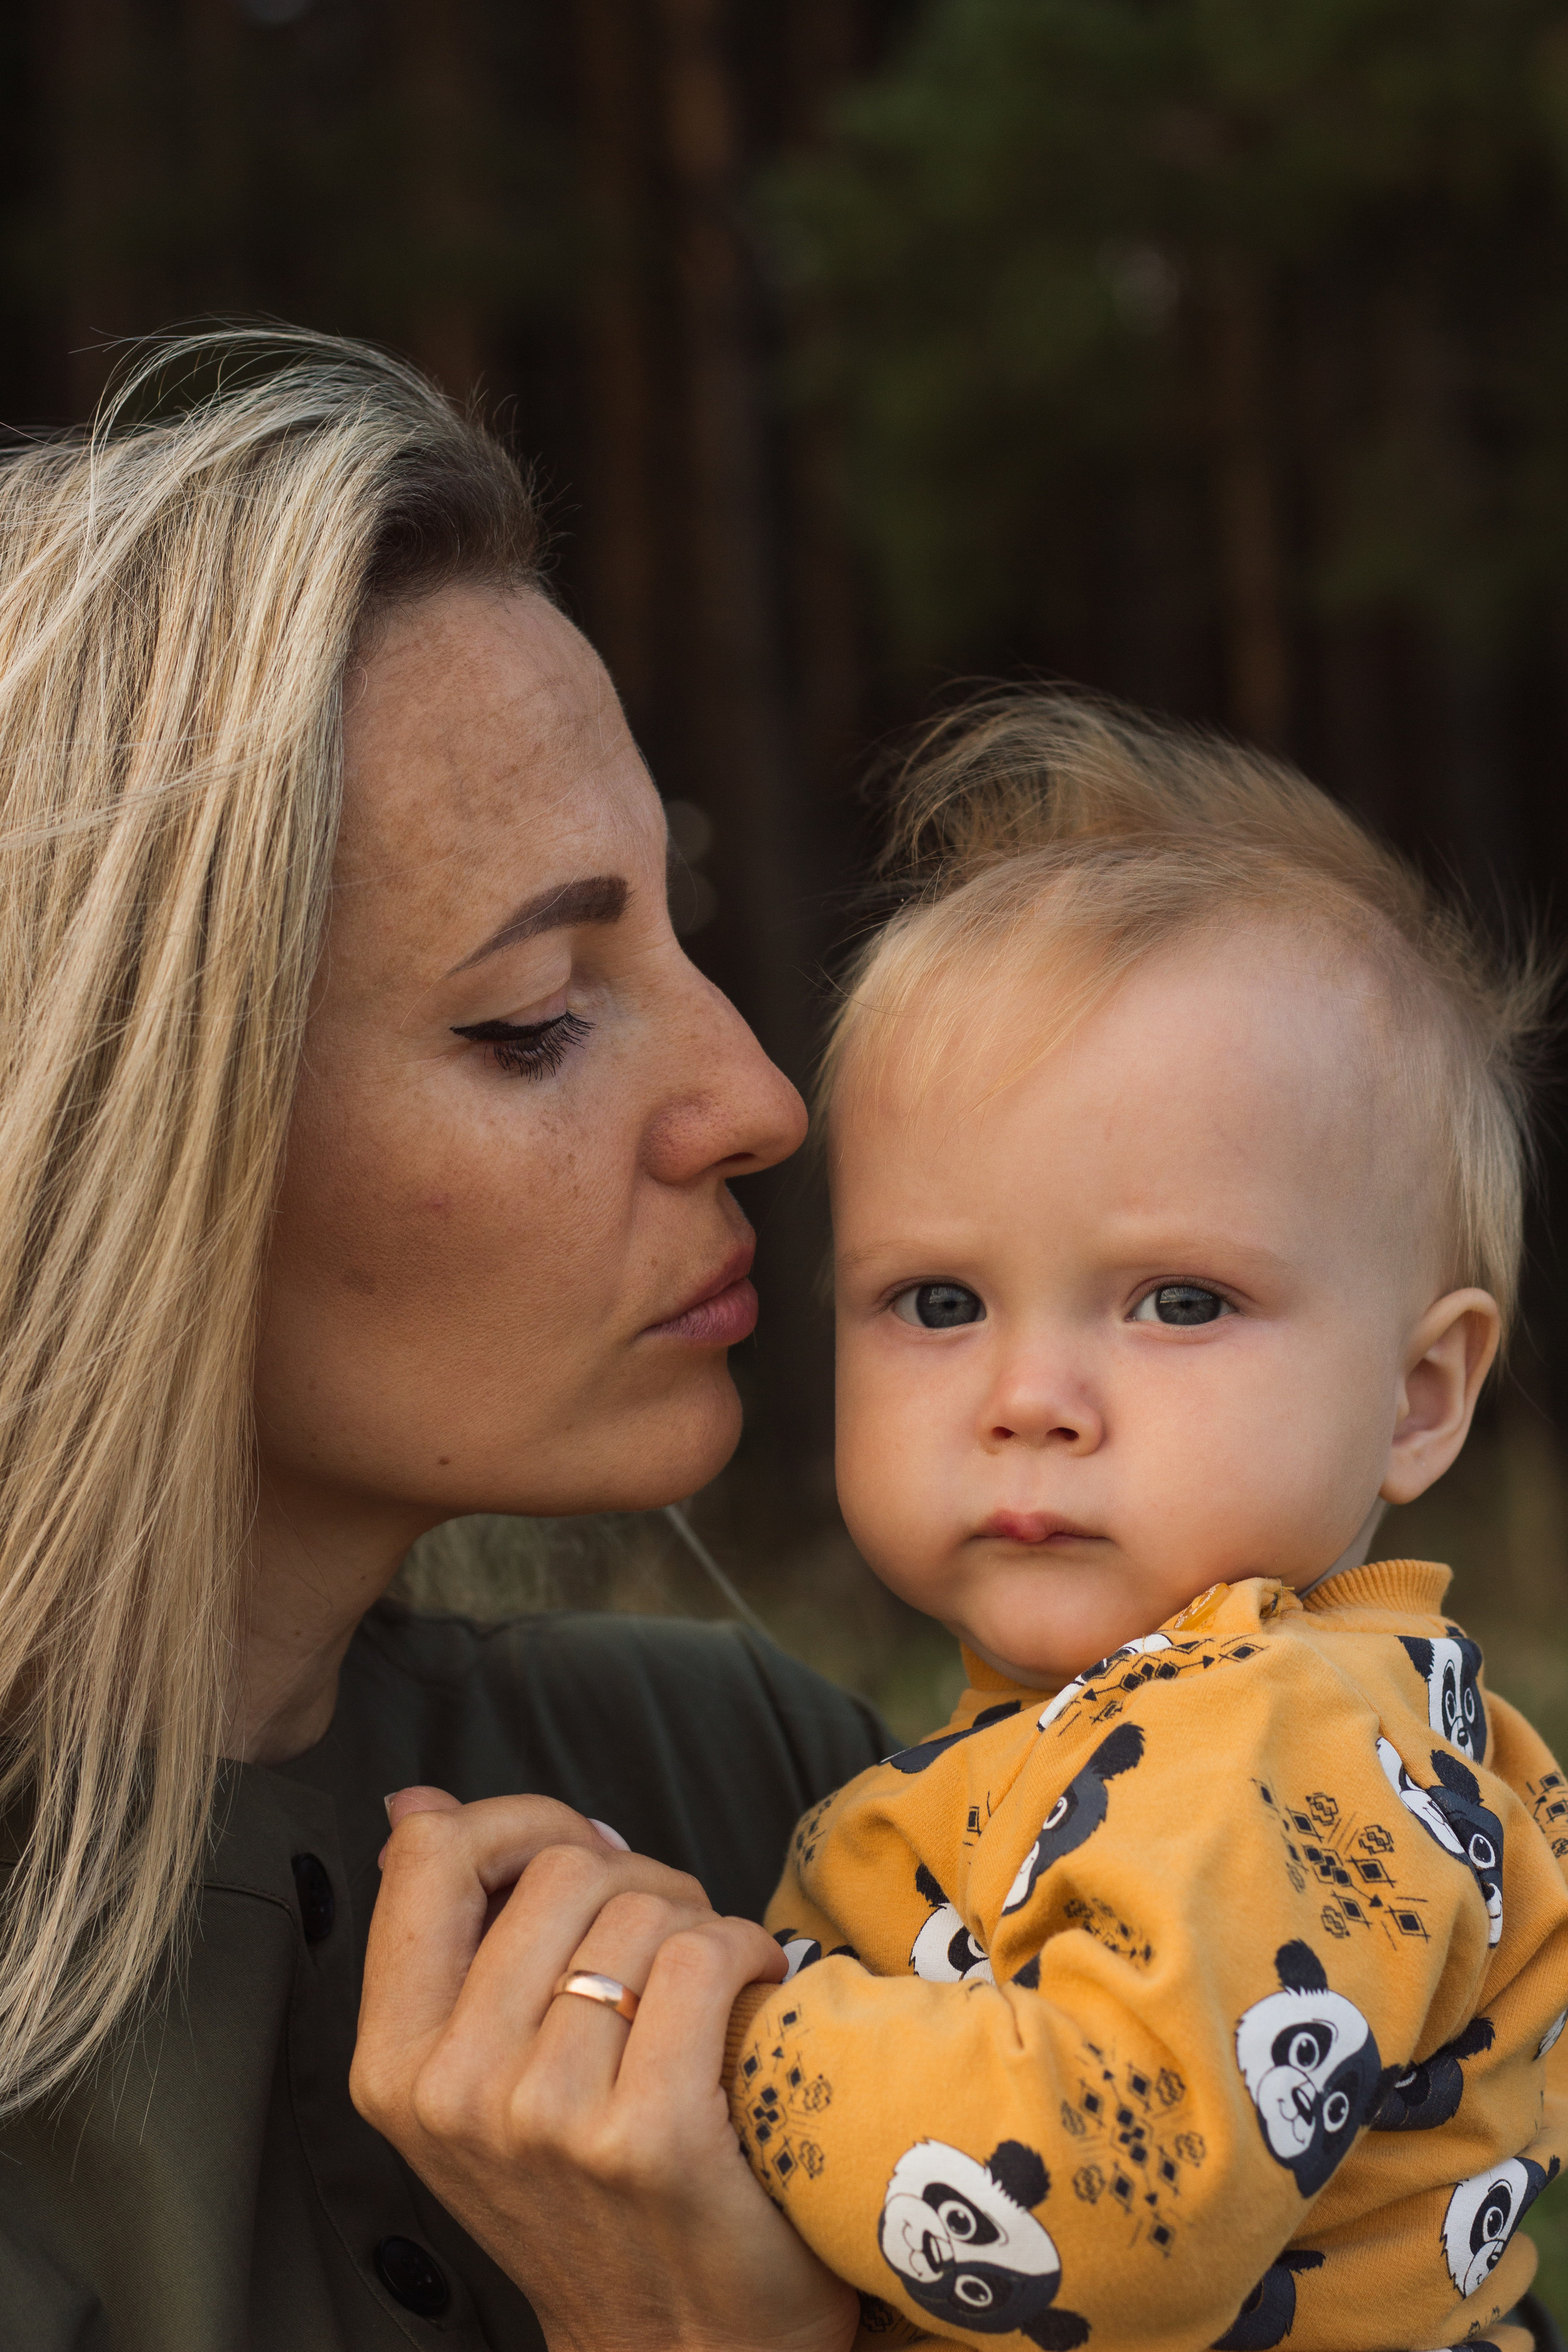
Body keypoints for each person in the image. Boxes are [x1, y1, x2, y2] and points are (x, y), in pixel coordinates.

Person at [0, 328, 881, 2352]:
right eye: (534, 1020)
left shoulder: (762, 1784)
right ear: (114, 1140)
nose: (758, 1096)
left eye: (684, 926)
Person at [692, 701, 1568, 2352]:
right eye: (937, 1300)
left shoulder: (1285, 1736)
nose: (1032, 1394)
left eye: (1178, 1302)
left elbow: (1108, 2193)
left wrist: (732, 2023)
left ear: (1419, 1395)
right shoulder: (1125, 1722)